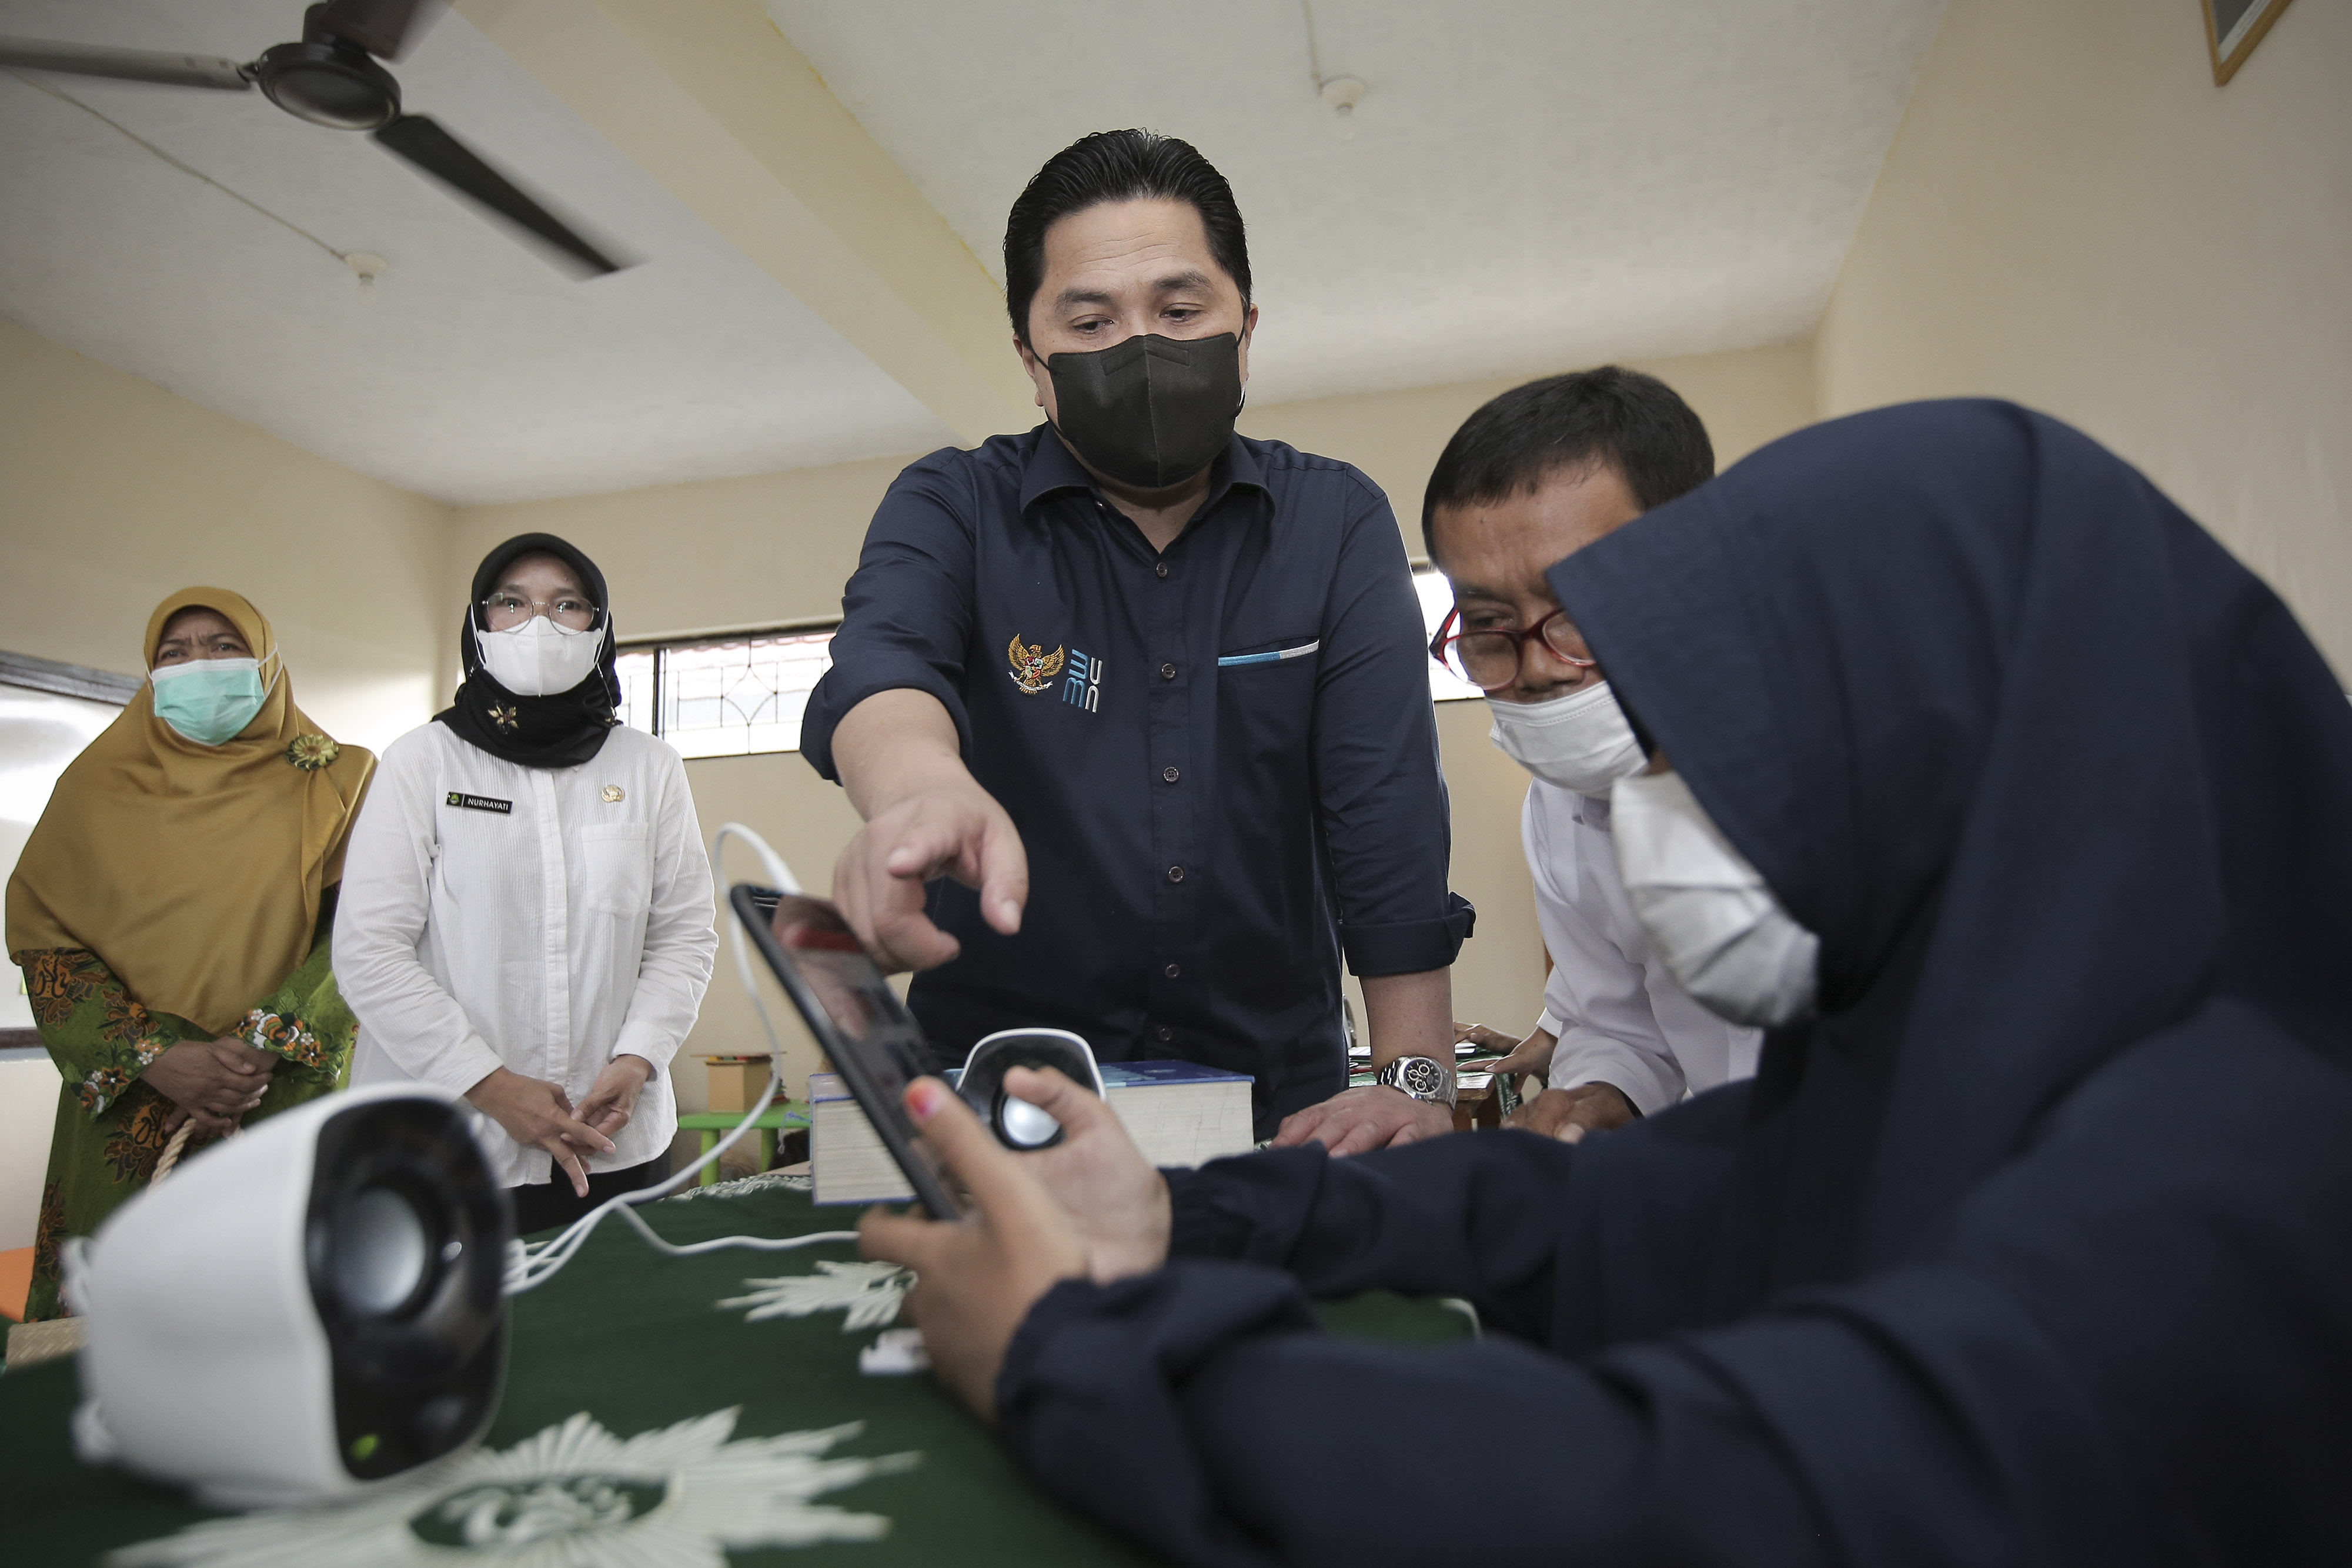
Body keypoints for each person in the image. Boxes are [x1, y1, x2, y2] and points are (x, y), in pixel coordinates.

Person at [860, 402, 2352, 1564]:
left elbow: (1717, 1498)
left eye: (1730, 747)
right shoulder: (1933, 1052)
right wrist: (1186, 1213)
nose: (1659, 809)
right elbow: (1581, 1206)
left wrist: (1083, 1361)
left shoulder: (2248, 1162)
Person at [803, 131, 1472, 1146]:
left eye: (1179, 308)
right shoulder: (954, 504)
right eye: (1091, 319)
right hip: (995, 1101)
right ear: (1033, 361)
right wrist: (916, 789)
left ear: (1245, 331)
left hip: (1278, 1101)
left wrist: (1416, 1085)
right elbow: (886, 664)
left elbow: (1384, 811)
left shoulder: (1335, 521)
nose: (1142, 347)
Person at [6, 589, 375, 1321]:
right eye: (173, 654)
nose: (197, 665)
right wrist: (155, 1057)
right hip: (126, 1103)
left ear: (267, 663)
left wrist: (257, 1049)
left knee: (274, 1312)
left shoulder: (341, 779)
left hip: (275, 1093)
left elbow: (365, 928)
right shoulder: (92, 788)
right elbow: (47, 942)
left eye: (222, 646)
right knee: (108, 1324)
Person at [335, 534, 717, 1235]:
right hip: (445, 1148)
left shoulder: (648, 767)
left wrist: (638, 1058)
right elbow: (369, 950)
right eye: (511, 603)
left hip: (614, 1144)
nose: (538, 623)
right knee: (454, 1345)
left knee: (613, 1333)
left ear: (599, 630)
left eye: (568, 605)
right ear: (479, 626)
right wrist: (490, 1085)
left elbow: (683, 935)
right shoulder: (422, 763)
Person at [1428, 369, 1760, 1141]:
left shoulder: (1866, 754)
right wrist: (1600, 1093)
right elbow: (1623, 1024)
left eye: (1580, 607)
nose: (1538, 667)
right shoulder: (1562, 809)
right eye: (1487, 622)